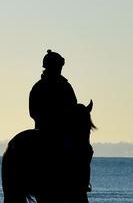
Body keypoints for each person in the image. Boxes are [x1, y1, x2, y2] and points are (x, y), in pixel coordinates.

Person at [29, 49, 90, 190]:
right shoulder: (43, 87)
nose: (60, 70)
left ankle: (83, 182)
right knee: (76, 149)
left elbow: (73, 107)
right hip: (47, 129)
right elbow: (34, 111)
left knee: (86, 150)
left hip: (55, 128)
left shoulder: (62, 86)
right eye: (58, 67)